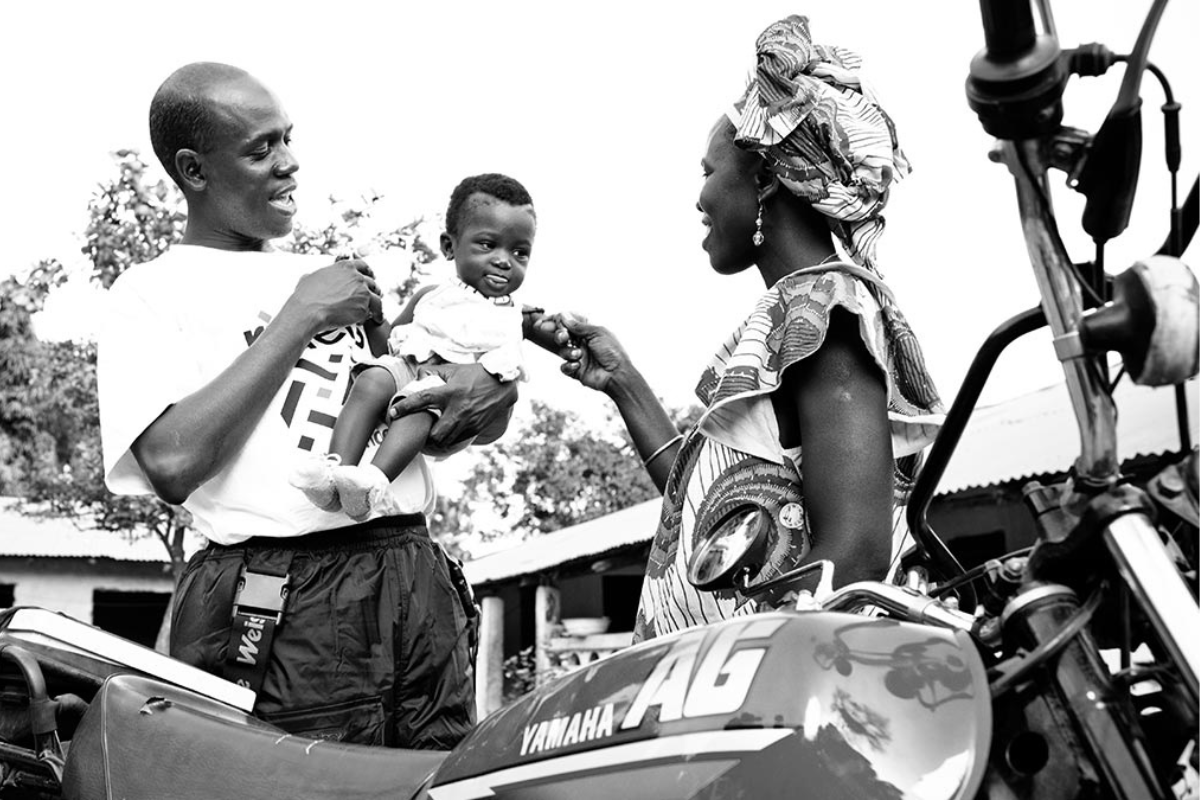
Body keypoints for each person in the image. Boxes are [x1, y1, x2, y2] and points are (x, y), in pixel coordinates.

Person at [97, 62, 514, 748]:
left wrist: (482, 392)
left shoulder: (332, 274)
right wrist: (299, 316)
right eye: (261, 149)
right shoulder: (150, 293)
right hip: (282, 597)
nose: (290, 164)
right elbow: (172, 462)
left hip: (410, 571)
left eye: (288, 139)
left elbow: (426, 415)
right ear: (194, 170)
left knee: (432, 778)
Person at [519, 15, 946, 643]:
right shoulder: (793, 314)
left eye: (707, 171)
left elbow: (852, 557)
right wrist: (624, 385)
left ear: (767, 177)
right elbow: (708, 521)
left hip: (766, 713)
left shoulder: (827, 311)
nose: (699, 198)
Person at [289, 173, 536, 522]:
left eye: (519, 251)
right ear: (450, 247)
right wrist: (373, 312)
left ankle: (372, 482)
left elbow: (499, 382)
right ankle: (334, 475)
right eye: (487, 244)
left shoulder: (511, 315)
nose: (503, 260)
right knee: (372, 380)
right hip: (411, 370)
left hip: (448, 400)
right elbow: (390, 345)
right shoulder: (429, 297)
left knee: (417, 402)